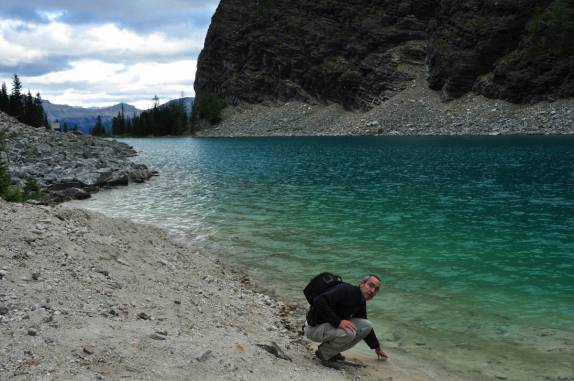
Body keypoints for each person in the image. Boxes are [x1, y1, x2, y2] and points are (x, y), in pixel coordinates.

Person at [304, 274, 388, 368]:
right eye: (371, 285)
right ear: (361, 284)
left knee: (367, 325)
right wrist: (338, 322)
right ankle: (325, 353)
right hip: (313, 327)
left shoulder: (360, 301)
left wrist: (377, 347)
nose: (372, 291)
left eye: (376, 289)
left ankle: (332, 352)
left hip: (326, 327)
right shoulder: (345, 290)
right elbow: (319, 301)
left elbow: (364, 325)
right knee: (349, 332)